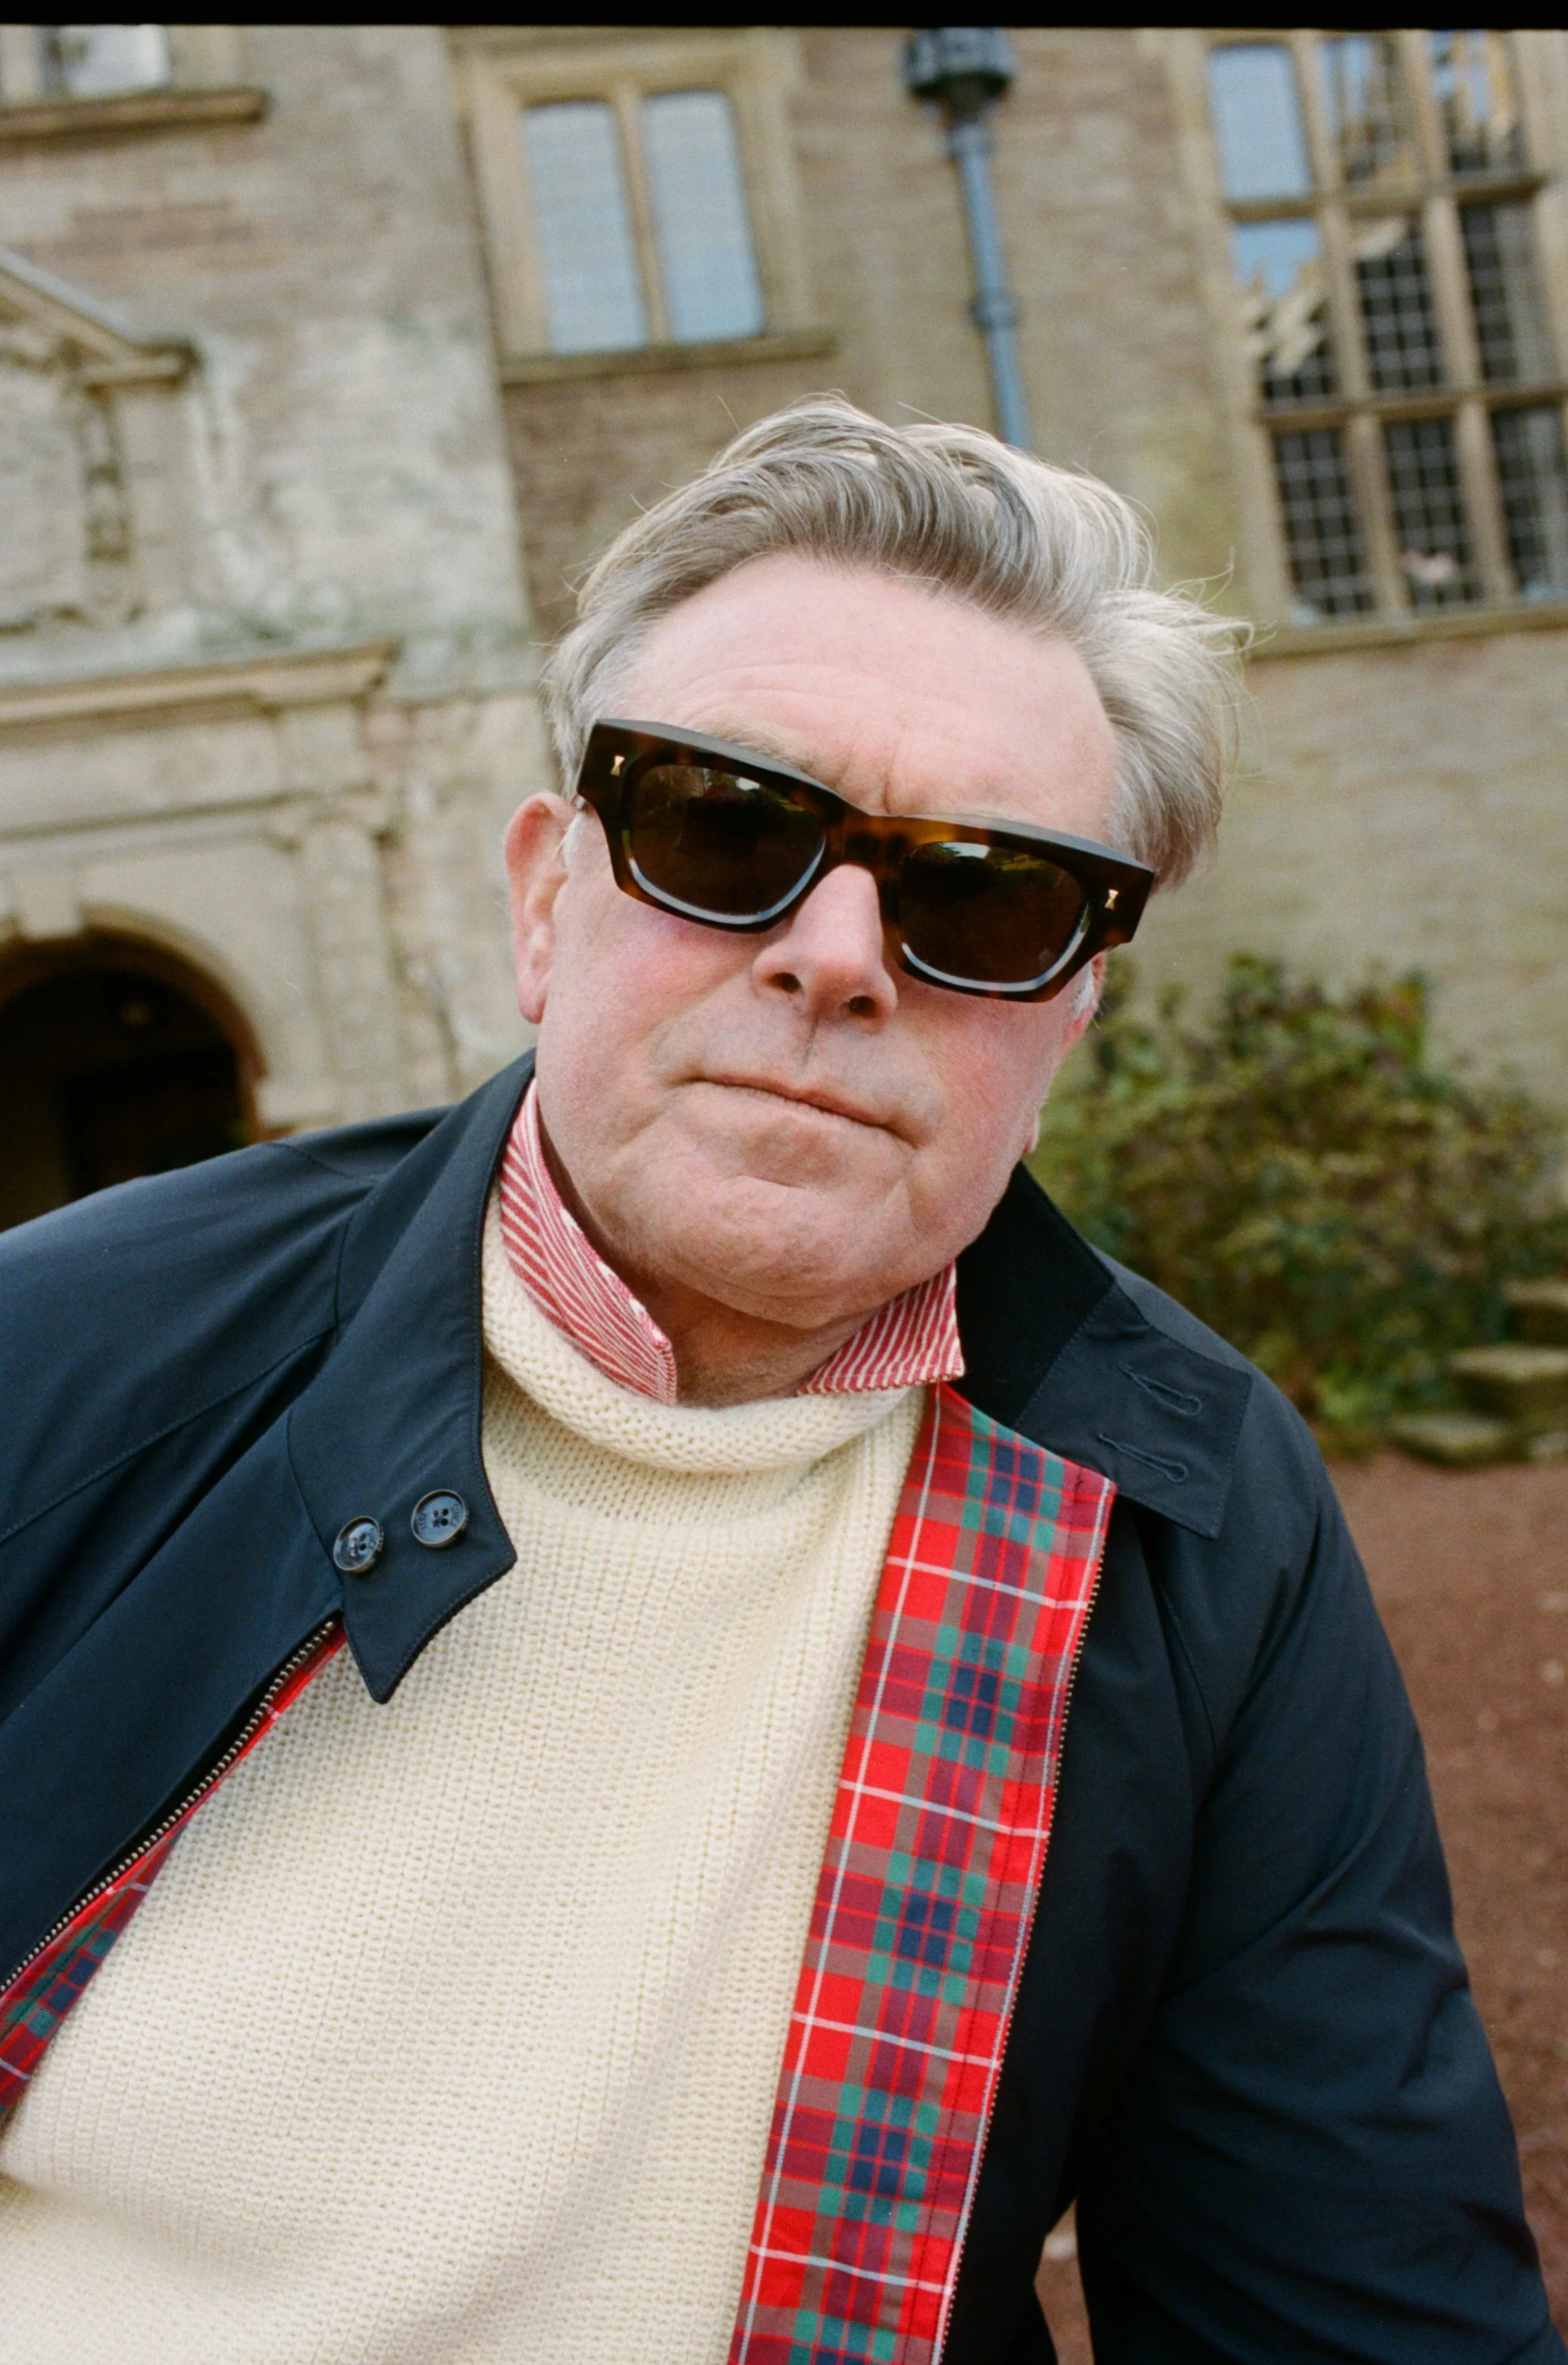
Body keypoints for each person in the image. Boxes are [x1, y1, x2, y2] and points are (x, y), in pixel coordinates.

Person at [0, 397, 1558, 2365]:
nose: (836, 957)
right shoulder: (61, 1363)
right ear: (549, 898)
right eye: (724, 824)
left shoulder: (1193, 1522)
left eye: (983, 897)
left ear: (1074, 1005)